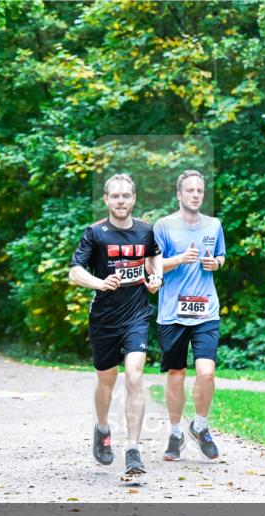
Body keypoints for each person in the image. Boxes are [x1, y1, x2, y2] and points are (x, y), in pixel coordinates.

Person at [68, 173, 162, 476]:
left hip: (136, 314)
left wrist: (156, 277)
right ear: (106, 199)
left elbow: (154, 257)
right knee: (106, 380)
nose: (121, 201)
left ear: (133, 198)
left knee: (134, 377)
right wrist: (101, 282)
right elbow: (74, 272)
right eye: (115, 196)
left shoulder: (145, 231)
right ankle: (103, 427)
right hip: (104, 319)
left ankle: (133, 449)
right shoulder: (95, 233)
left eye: (126, 196)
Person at [154, 169, 226, 461]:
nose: (196, 195)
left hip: (206, 311)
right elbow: (152, 267)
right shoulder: (163, 226)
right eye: (190, 190)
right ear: (179, 194)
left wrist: (215, 264)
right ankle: (174, 433)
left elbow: (221, 256)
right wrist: (180, 259)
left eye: (200, 191)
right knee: (175, 374)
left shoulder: (214, 225)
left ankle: (200, 426)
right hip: (172, 313)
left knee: (206, 372)